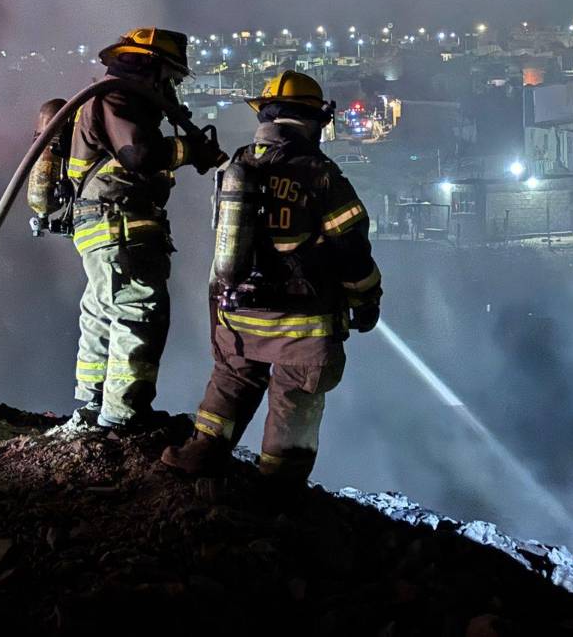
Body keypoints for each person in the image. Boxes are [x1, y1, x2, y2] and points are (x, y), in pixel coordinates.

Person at [161, 70, 382, 481]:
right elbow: (353, 251)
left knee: (231, 383)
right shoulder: (321, 174)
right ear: (314, 120)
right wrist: (367, 299)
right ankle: (276, 492)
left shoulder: (239, 163)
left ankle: (199, 457)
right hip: (303, 325)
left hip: (237, 314)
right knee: (294, 401)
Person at [51, 27, 223, 435]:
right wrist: (190, 151)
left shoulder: (112, 96)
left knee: (103, 312)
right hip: (119, 223)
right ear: (153, 68)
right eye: (172, 78)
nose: (173, 89)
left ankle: (94, 407)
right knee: (138, 312)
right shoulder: (119, 97)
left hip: (106, 226)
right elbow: (138, 155)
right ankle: (123, 417)